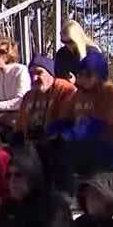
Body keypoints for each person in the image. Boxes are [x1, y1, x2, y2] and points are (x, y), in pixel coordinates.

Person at [15, 55, 77, 194]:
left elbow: (67, 121)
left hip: (60, 143)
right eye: (31, 74)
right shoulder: (29, 96)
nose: (34, 78)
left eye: (39, 73)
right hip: (35, 144)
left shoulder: (65, 89)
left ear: (50, 73)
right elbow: (20, 127)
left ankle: (63, 196)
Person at [55, 50, 113, 176]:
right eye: (81, 74)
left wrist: (74, 132)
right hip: (80, 144)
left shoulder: (108, 93)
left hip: (104, 147)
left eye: (88, 74)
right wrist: (57, 127)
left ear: (100, 75)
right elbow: (67, 117)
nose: (83, 78)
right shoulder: (78, 94)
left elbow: (102, 125)